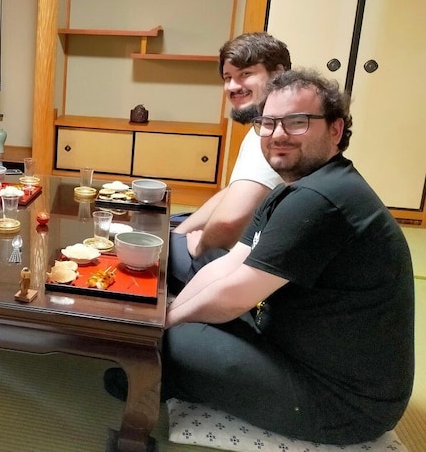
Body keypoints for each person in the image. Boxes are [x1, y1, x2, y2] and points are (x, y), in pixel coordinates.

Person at [106, 69, 414, 445]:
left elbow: (236, 295)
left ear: (335, 129)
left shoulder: (322, 199)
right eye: (268, 123)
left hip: (341, 402)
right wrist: (167, 316)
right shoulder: (298, 187)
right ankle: (173, 368)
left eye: (297, 122)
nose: (278, 134)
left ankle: (162, 377)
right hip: (290, 344)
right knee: (178, 311)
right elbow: (228, 264)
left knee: (164, 346)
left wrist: (164, 325)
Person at [169, 32, 291, 292]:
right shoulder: (264, 122)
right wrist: (180, 233)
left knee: (152, 253)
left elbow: (229, 221)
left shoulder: (277, 133)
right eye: (227, 78)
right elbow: (234, 191)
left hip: (249, 267)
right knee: (173, 226)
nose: (233, 86)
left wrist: (198, 246)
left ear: (278, 74)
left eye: (246, 74)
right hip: (247, 249)